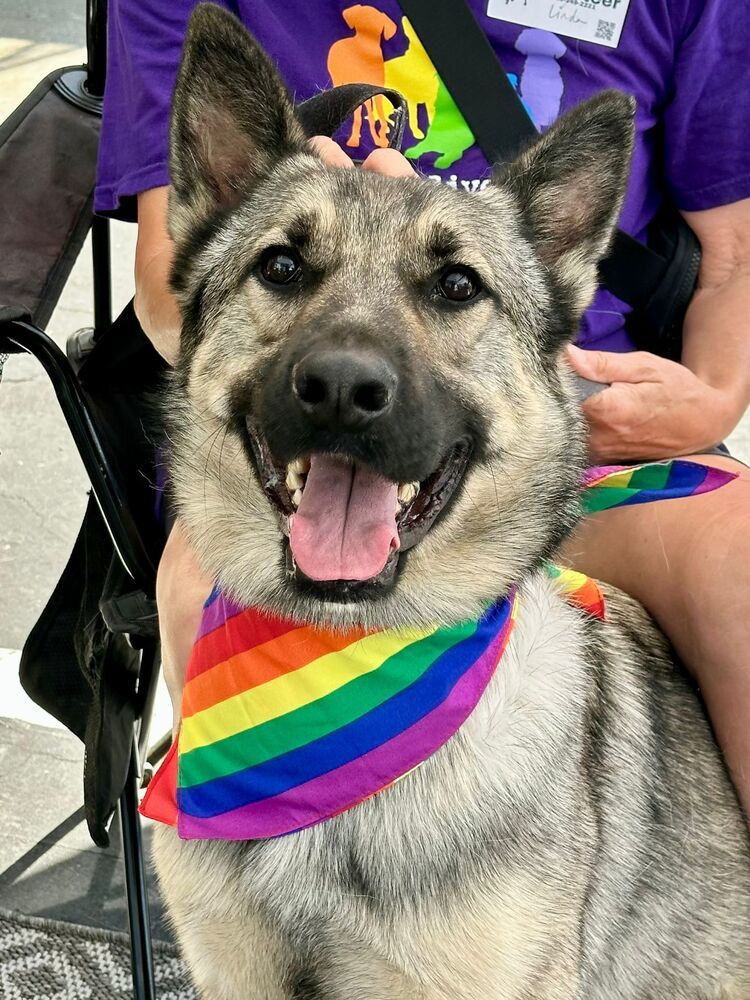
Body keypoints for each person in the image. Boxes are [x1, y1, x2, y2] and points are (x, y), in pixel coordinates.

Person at [96, 0, 750, 815]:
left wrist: (714, 399)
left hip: (593, 443)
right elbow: (174, 280)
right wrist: (281, 232)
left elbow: (733, 258)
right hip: (283, 442)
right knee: (208, 590)